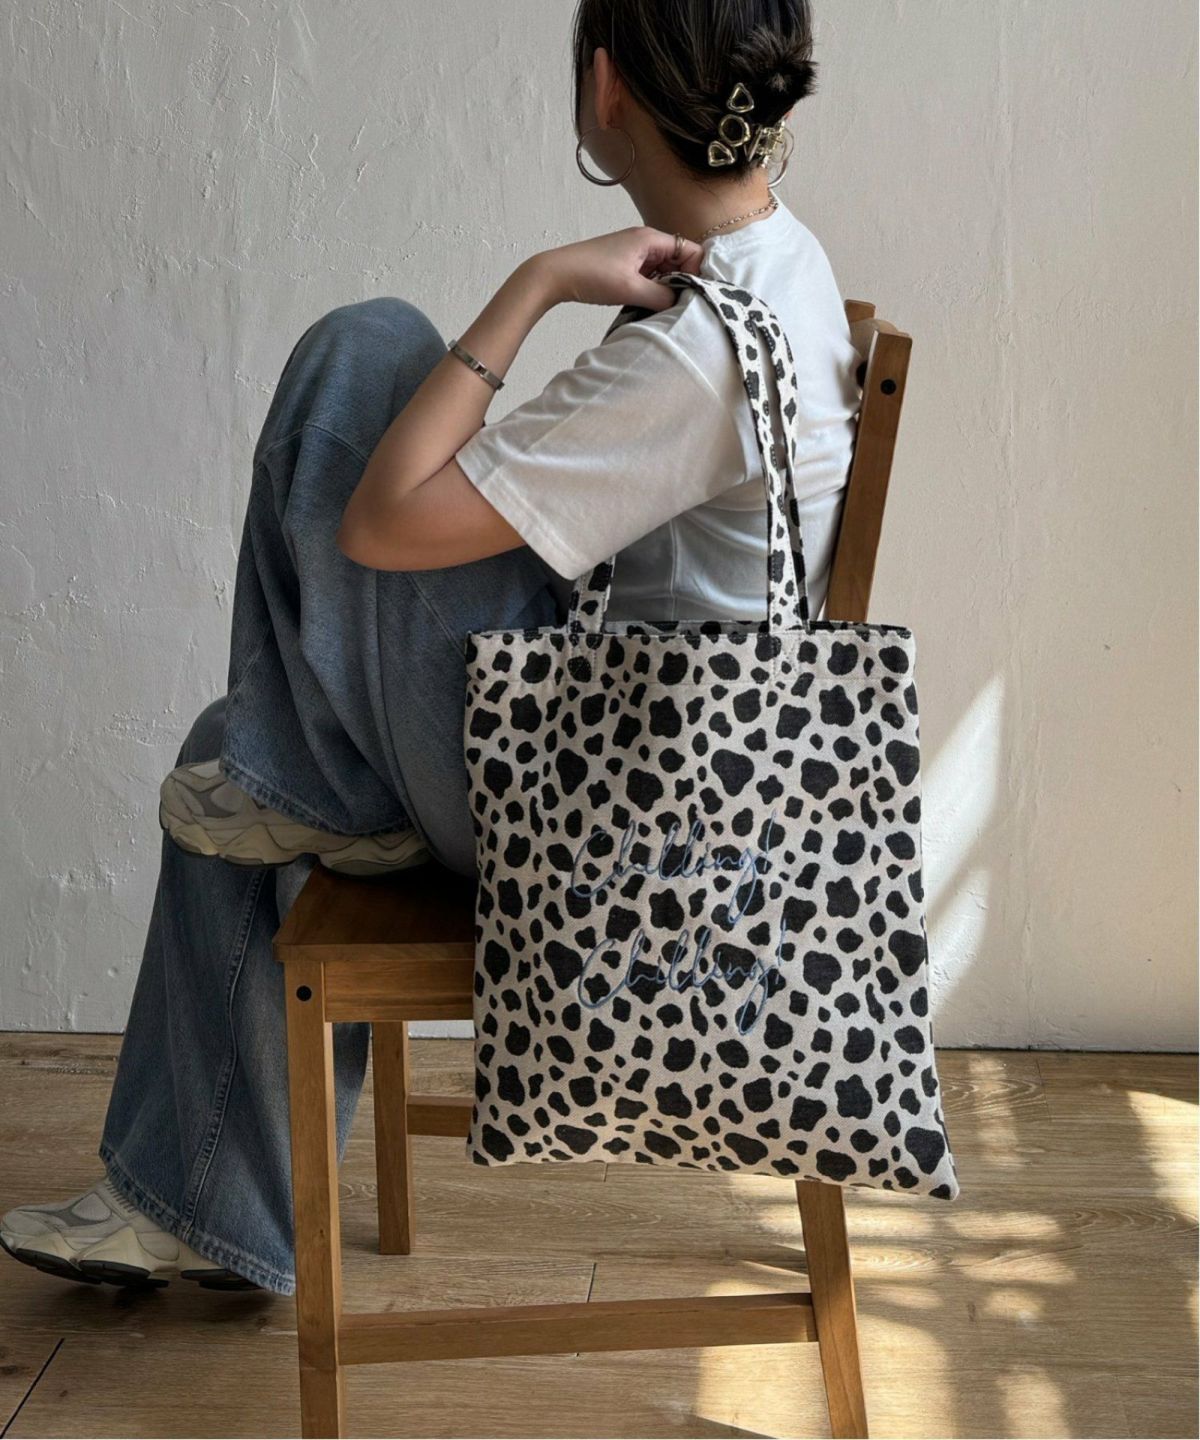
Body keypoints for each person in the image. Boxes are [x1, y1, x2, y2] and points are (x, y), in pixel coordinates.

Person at [2, 0, 861, 1295]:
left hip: (618, 849)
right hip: (659, 781)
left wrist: (537, 284)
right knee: (235, 760)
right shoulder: (776, 264)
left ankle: (312, 805)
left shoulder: (696, 355)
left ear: (607, 85)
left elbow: (384, 517)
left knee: (363, 355)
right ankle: (199, 1207)